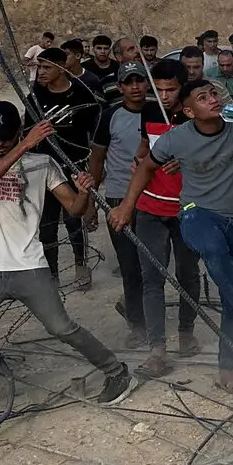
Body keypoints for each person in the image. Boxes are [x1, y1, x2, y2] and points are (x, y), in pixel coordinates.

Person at [0, 103, 134, 416]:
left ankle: (117, 371)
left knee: (62, 327)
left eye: (7, 136)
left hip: (29, 263)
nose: (0, 143)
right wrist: (24, 145)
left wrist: (85, 191)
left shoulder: (42, 163)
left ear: (18, 130)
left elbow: (73, 208)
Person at [148, 77, 233, 392]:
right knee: (213, 250)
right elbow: (145, 167)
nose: (212, 98)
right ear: (189, 110)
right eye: (202, 96)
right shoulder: (176, 138)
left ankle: (226, 367)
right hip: (198, 212)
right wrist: (126, 207)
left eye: (213, 93)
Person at [112, 59, 203, 374]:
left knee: (188, 274)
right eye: (159, 89)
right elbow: (144, 146)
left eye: (171, 89)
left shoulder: (197, 115)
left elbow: (215, 156)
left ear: (184, 87)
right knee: (152, 278)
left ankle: (186, 333)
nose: (164, 96)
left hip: (187, 208)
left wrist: (190, 158)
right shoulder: (149, 112)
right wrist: (138, 161)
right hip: (150, 207)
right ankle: (157, 350)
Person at [25, 46, 103, 289]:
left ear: (62, 68)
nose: (41, 73)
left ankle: (81, 265)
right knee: (47, 225)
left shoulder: (82, 95)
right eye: (39, 67)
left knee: (73, 220)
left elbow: (94, 137)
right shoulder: (35, 96)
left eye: (47, 67)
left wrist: (92, 174)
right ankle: (53, 275)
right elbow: (26, 134)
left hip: (74, 166)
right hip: (44, 168)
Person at [88, 65, 154, 351]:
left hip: (153, 198)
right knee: (130, 266)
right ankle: (137, 326)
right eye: (129, 82)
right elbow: (97, 160)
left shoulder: (159, 113)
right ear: (120, 86)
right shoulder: (110, 116)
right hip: (117, 198)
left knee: (153, 265)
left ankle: (142, 312)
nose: (136, 87)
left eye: (140, 80)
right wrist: (91, 203)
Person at [84, 35, 121, 104]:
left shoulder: (117, 66)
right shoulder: (85, 67)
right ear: (93, 49)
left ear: (110, 50)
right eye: (99, 48)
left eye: (106, 48)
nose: (103, 51)